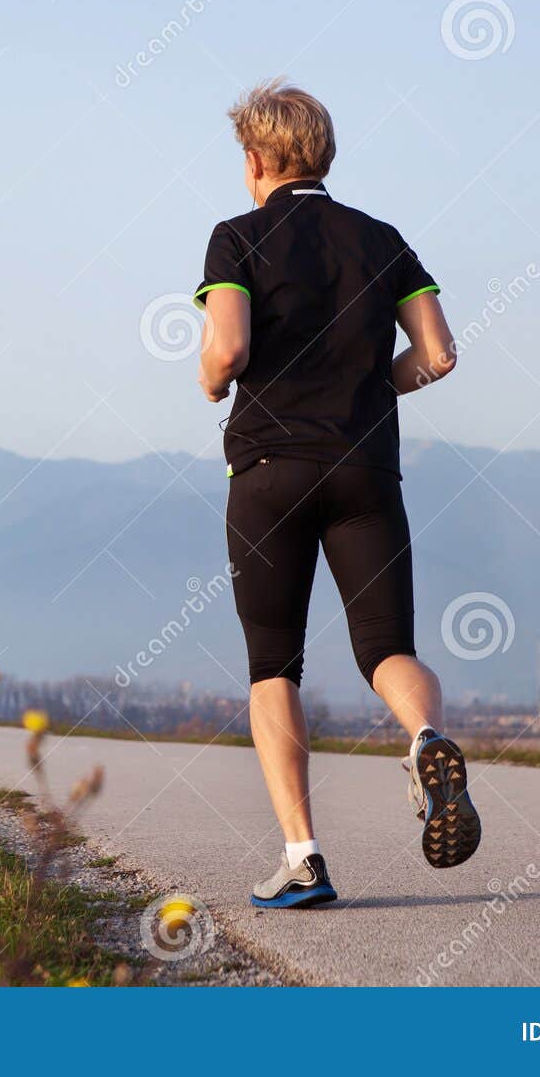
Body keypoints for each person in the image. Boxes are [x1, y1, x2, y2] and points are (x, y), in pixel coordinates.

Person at [193, 79, 480, 910]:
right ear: (323, 155)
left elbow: (230, 346)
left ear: (254, 160)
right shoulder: (383, 241)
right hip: (365, 469)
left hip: (268, 472)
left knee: (272, 665)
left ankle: (303, 860)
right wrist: (368, 387)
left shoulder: (235, 237)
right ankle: (426, 738)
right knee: (388, 647)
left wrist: (212, 380)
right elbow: (438, 354)